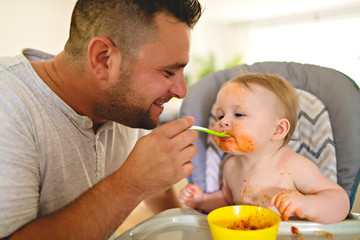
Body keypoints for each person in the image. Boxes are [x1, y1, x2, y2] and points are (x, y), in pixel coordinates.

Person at [0, 0, 202, 239]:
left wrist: (190, 229)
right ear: (104, 58)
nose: (181, 90)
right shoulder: (9, 105)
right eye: (168, 72)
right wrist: (131, 183)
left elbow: (154, 187)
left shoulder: (122, 106)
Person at [179, 73, 350, 224]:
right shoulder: (231, 167)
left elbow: (340, 202)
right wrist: (202, 201)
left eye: (238, 114)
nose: (223, 122)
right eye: (220, 115)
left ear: (278, 130)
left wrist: (308, 205)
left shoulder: (294, 166)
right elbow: (227, 201)